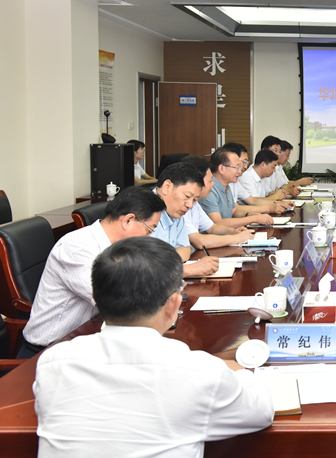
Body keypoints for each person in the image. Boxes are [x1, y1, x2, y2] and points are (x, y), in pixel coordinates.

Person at [33, 237, 274, 456]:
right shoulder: (199, 372)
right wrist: (238, 370)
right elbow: (261, 411)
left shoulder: (52, 363)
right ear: (173, 305)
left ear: (96, 296)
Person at [17, 187, 165, 358]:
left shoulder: (118, 247)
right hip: (48, 352)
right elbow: (116, 303)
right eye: (149, 230)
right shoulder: (77, 249)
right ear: (128, 221)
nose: (148, 237)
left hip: (85, 341)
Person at [152, 163, 219, 277]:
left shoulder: (175, 212)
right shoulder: (143, 211)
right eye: (187, 196)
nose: (190, 205)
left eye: (194, 200)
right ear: (167, 187)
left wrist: (166, 264)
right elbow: (144, 267)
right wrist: (187, 270)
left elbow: (185, 249)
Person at [180, 156, 254, 249]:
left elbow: (212, 228)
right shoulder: (181, 205)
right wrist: (237, 238)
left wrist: (233, 232)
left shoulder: (195, 203)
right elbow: (199, 242)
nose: (213, 184)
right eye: (210, 181)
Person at [198, 148, 276, 230]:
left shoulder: (226, 186)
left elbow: (234, 211)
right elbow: (218, 223)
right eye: (237, 167)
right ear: (222, 169)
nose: (240, 172)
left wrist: (250, 215)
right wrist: (253, 219)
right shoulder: (209, 189)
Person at [221, 142, 292, 214]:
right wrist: (270, 207)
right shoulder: (244, 177)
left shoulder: (235, 182)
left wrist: (279, 203)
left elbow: (253, 201)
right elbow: (236, 209)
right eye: (243, 162)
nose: (245, 166)